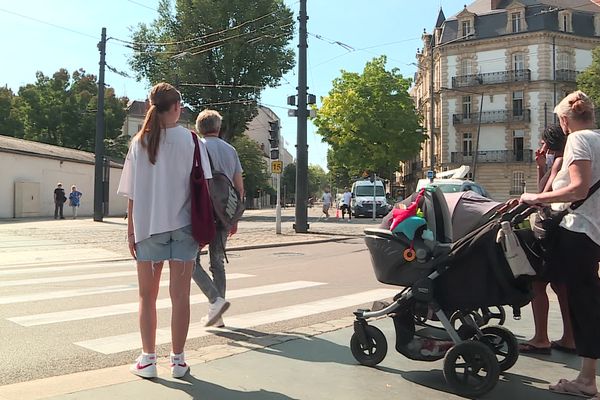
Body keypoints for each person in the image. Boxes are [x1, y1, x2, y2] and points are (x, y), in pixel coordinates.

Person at [117, 82, 212, 380]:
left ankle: (148, 360)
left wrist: (131, 230)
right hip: (185, 228)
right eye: (180, 105)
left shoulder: (138, 143)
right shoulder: (193, 141)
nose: (181, 109)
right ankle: (179, 362)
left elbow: (131, 194)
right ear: (175, 108)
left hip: (148, 229)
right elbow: (203, 186)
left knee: (147, 297)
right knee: (180, 298)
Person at [520, 91, 600, 399]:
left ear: (564, 120)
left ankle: (586, 380)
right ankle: (586, 374)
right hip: (593, 233)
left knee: (583, 303)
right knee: (586, 298)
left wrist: (535, 198)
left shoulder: (578, 140)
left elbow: (577, 188)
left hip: (577, 231)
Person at [520, 124, 575, 355]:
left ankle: (541, 337)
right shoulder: (566, 161)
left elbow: (542, 192)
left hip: (551, 231)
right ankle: (569, 338)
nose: (541, 147)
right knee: (561, 286)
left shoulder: (560, 161)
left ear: (551, 143)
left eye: (543, 143)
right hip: (564, 229)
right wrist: (543, 167)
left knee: (538, 283)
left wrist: (542, 168)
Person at [192, 109, 244, 328]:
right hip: (224, 213)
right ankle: (218, 314)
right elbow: (239, 187)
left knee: (190, 261)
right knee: (217, 262)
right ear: (219, 128)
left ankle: (215, 300)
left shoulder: (197, 147)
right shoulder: (230, 150)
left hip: (201, 212)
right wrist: (234, 219)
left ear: (199, 128)